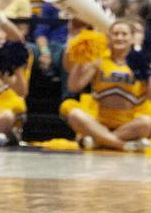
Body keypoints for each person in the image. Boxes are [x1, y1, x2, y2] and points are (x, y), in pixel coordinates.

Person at [61, 18, 151, 151]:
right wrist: (82, 58)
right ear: (109, 37)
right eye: (115, 34)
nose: (119, 38)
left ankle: (99, 141)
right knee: (73, 113)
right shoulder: (98, 60)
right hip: (99, 121)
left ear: (132, 39)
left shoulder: (142, 62)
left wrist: (148, 75)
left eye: (124, 34)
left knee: (146, 122)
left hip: (128, 122)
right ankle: (121, 145)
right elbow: (74, 86)